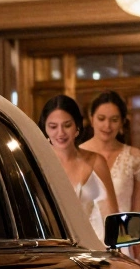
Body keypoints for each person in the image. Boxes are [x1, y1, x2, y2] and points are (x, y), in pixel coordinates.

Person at [79, 91, 140, 269]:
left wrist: (139, 242)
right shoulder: (78, 154)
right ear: (91, 118)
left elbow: (139, 205)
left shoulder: (134, 156)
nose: (107, 125)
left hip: (124, 236)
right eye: (102, 118)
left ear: (122, 122)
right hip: (88, 236)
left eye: (114, 120)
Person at [39, 95, 118, 241]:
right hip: (49, 249)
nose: (61, 133)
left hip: (91, 249)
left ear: (77, 127)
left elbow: (111, 215)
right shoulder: (37, 163)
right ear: (44, 129)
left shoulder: (96, 162)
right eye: (53, 126)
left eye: (67, 125)